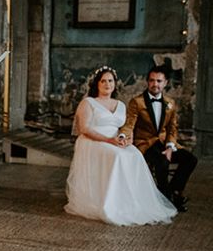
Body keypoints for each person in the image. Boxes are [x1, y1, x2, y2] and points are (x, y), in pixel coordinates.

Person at [64, 66, 176, 225]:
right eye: (103, 81)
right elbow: (84, 129)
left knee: (135, 154)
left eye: (110, 81)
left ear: (115, 84)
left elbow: (126, 128)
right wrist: (109, 141)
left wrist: (127, 140)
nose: (107, 84)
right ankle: (110, 203)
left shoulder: (121, 105)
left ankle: (130, 201)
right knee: (117, 156)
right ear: (97, 84)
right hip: (93, 141)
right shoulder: (88, 103)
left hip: (115, 140)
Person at [119, 65, 198, 212]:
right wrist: (123, 135)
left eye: (159, 81)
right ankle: (166, 200)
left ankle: (172, 193)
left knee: (191, 159)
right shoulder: (137, 102)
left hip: (163, 142)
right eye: (152, 80)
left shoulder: (170, 103)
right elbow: (129, 123)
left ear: (166, 83)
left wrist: (169, 147)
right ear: (147, 82)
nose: (155, 84)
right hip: (145, 144)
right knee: (162, 162)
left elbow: (172, 128)